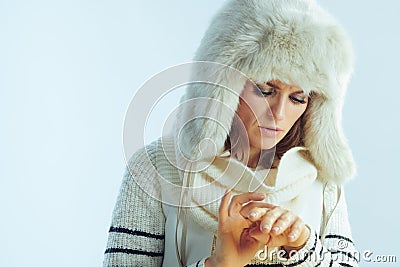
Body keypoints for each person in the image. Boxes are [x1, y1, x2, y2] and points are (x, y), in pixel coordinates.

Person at [104, 0, 359, 266]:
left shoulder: (321, 180)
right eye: (264, 90)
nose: (279, 114)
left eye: (298, 98)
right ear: (222, 85)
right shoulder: (155, 167)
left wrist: (302, 246)